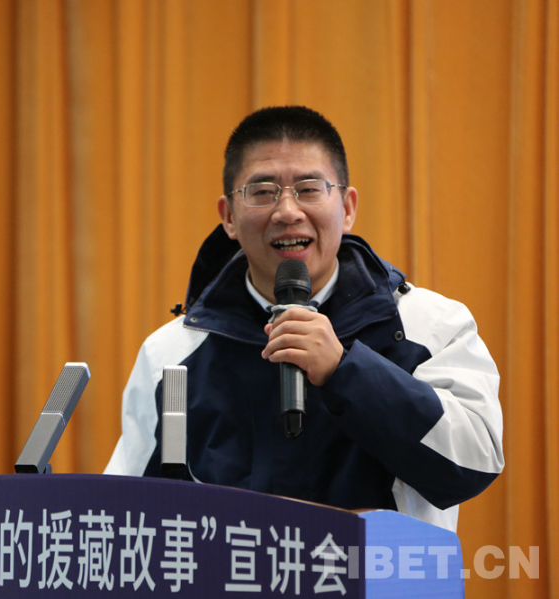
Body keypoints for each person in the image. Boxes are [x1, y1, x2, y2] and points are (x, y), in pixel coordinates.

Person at [104, 106, 504, 531]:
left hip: (379, 570)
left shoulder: (430, 325)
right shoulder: (171, 353)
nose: (287, 211)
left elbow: (473, 463)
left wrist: (345, 370)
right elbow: (125, 512)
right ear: (229, 217)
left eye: (309, 189)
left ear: (347, 208)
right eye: (262, 191)